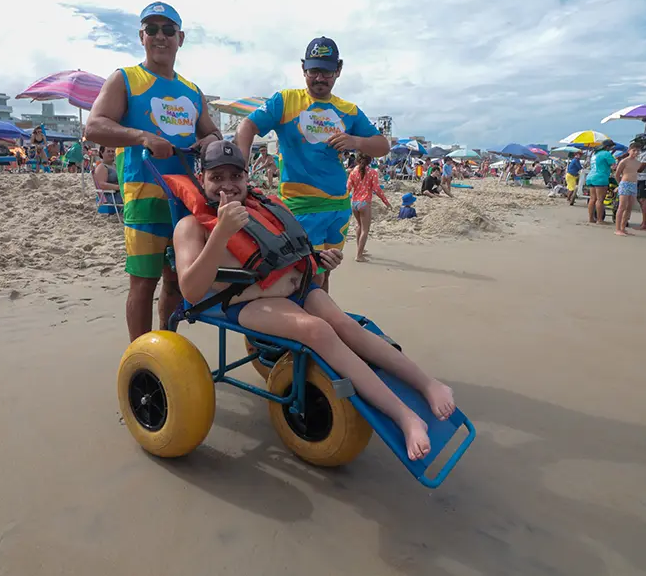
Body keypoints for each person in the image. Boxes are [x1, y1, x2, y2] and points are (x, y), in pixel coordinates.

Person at [172, 140, 455, 461]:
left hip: (298, 288)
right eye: (217, 177)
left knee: (349, 328)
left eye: (235, 176)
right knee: (317, 331)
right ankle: (405, 416)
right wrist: (221, 232)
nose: (227, 184)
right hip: (245, 303)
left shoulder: (261, 207)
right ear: (201, 178)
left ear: (247, 178)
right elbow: (191, 291)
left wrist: (320, 261)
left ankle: (429, 384)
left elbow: (285, 253)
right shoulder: (191, 226)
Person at [85, 1, 222, 341]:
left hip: (185, 198)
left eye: (168, 30)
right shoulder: (125, 78)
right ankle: (141, 356)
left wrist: (209, 141)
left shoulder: (192, 90)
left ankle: (166, 344)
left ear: (181, 38)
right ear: (141, 37)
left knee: (176, 279)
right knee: (144, 282)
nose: (161, 37)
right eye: (153, 30)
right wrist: (142, 136)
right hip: (143, 194)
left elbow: (211, 132)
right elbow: (95, 127)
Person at [234, 37, 390, 292]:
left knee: (323, 274)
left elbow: (382, 145)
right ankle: (298, 327)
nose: (320, 78)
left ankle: (319, 323)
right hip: (299, 206)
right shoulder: (285, 101)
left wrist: (356, 141)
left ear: (338, 70)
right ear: (303, 69)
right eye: (314, 70)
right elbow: (247, 126)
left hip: (338, 207)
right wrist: (240, 170)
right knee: (300, 276)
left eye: (327, 71)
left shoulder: (348, 110)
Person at [347, 152, 392, 261]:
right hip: (364, 202)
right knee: (365, 230)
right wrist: (386, 202)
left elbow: (348, 187)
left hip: (354, 202)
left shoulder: (353, 172)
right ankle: (359, 255)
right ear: (370, 161)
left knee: (359, 226)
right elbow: (377, 189)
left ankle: (360, 249)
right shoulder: (372, 172)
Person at [613, 143, 642, 236]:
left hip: (634, 184)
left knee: (629, 207)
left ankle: (623, 228)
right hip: (625, 183)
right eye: (634, 150)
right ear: (629, 150)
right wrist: (619, 185)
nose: (636, 152)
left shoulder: (638, 163)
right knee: (622, 206)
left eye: (637, 151)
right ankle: (617, 229)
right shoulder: (624, 161)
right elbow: (617, 174)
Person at [585, 140, 616, 224]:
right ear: (608, 147)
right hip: (601, 177)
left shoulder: (595, 154)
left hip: (591, 177)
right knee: (600, 200)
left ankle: (591, 218)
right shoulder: (606, 154)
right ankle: (599, 219)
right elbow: (614, 166)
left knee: (592, 199)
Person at [93, 146, 124, 216]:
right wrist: (118, 187)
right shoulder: (102, 167)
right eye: (108, 151)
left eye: (113, 151)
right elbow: (102, 184)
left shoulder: (115, 166)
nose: (111, 153)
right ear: (102, 153)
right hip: (110, 195)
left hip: (118, 192)